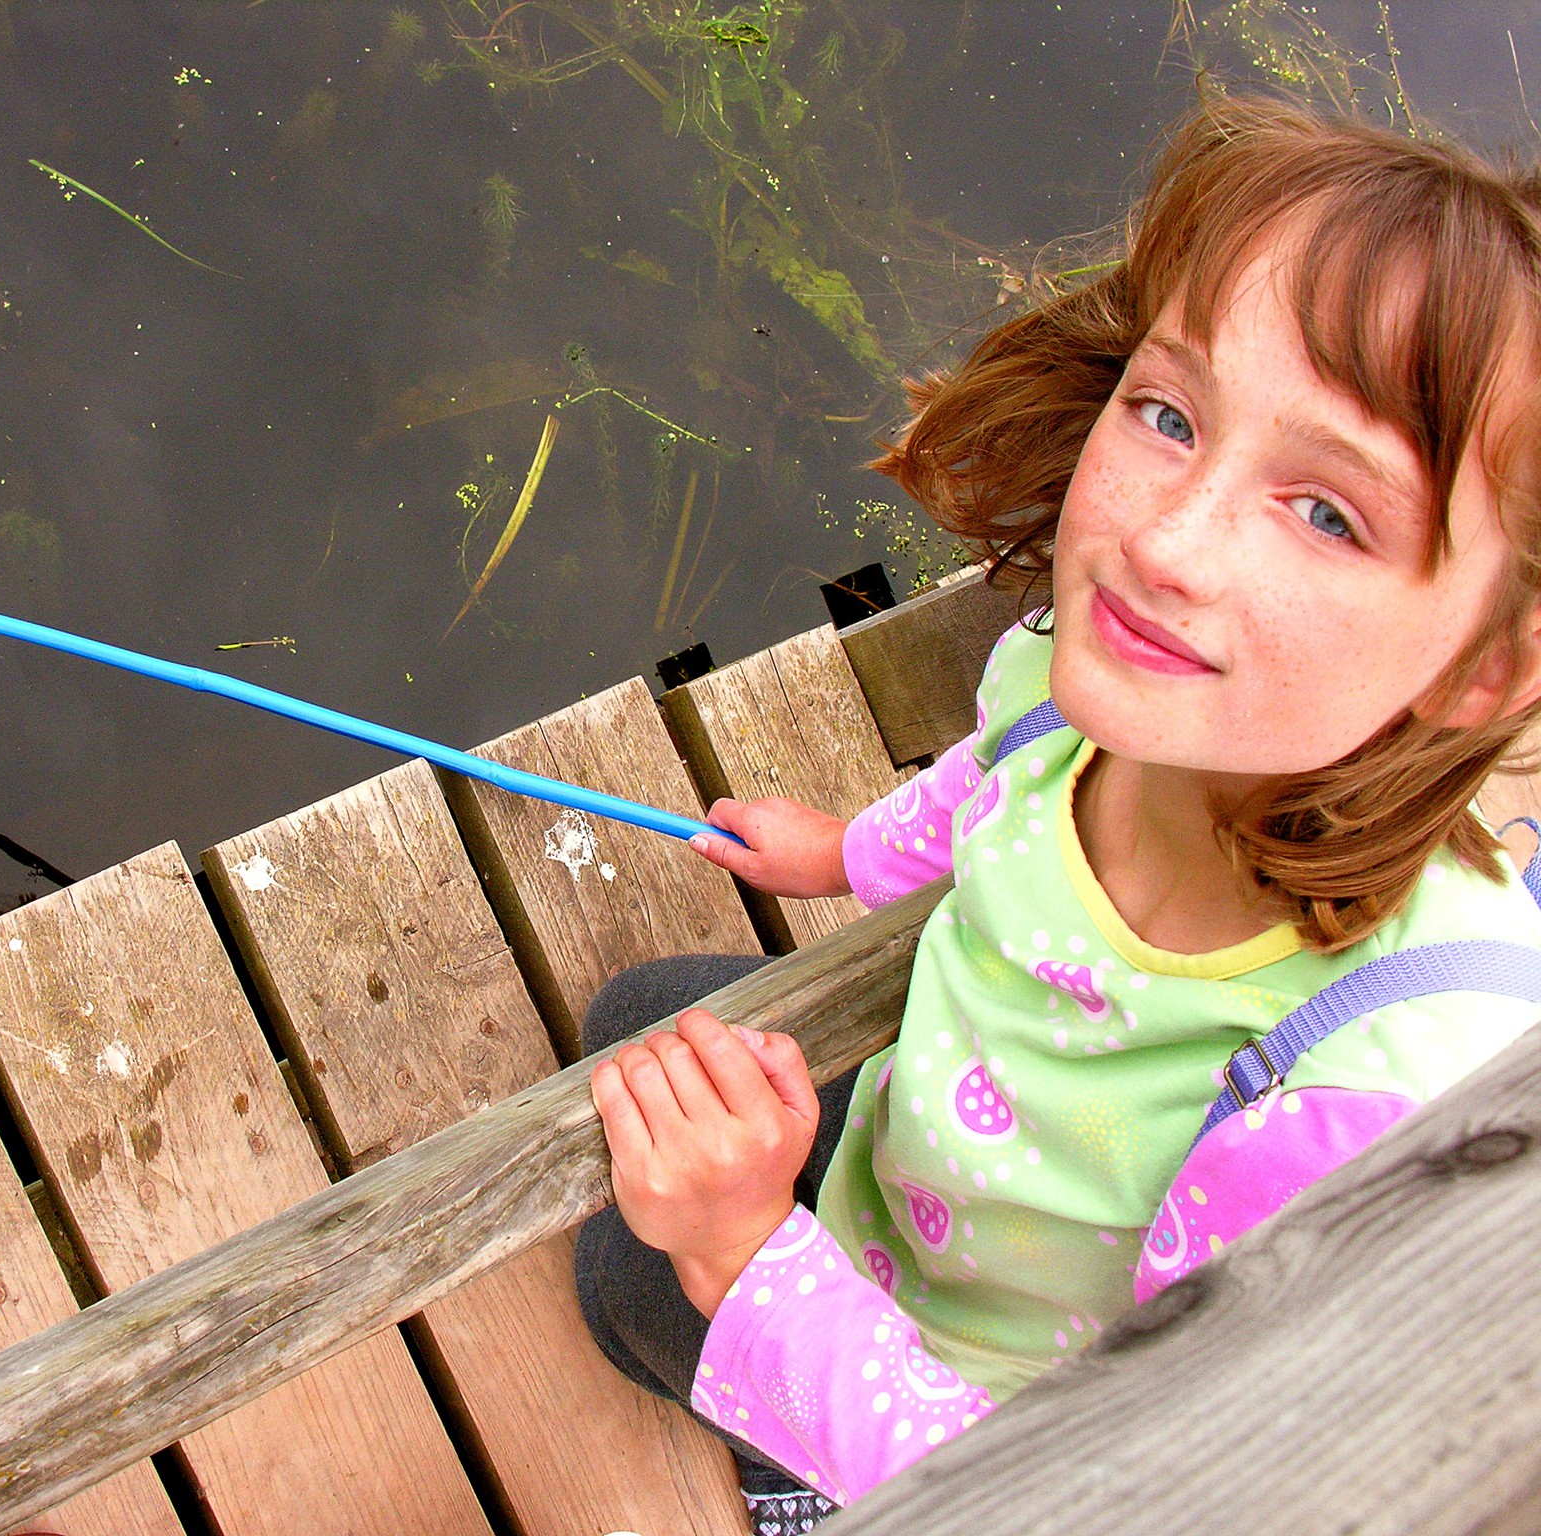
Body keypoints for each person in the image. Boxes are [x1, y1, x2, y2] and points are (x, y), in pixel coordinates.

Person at [574, 93, 1541, 1535]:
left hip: (983, 1404)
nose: (1163, 541)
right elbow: (996, 782)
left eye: (1328, 512)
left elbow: (1114, 1496)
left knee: (623, 1284)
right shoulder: (1079, 689)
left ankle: (788, 1478)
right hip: (924, 1167)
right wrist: (842, 852)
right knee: (646, 1011)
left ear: (1484, 669)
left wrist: (743, 1257)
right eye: (1169, 413)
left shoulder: (1358, 1111)